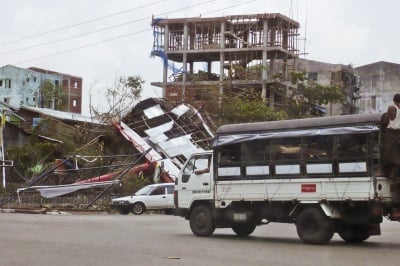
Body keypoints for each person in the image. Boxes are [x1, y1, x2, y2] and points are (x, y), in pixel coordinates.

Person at [380, 93, 400, 178]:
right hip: (397, 134)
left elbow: (385, 122)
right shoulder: (395, 109)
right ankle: (393, 173)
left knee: (388, 155)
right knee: (395, 156)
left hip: (390, 134)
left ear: (394, 100)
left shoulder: (391, 109)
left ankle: (388, 173)